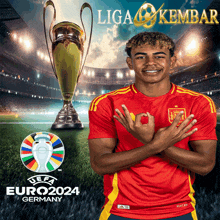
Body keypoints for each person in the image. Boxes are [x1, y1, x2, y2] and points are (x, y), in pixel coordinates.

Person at [88, 32, 217, 220]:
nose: (150, 63)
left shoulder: (199, 103)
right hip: (121, 210)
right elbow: (100, 164)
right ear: (130, 63)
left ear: (172, 62)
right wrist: (154, 145)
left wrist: (151, 142)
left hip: (180, 210)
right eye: (141, 57)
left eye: (159, 56)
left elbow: (205, 165)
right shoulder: (107, 103)